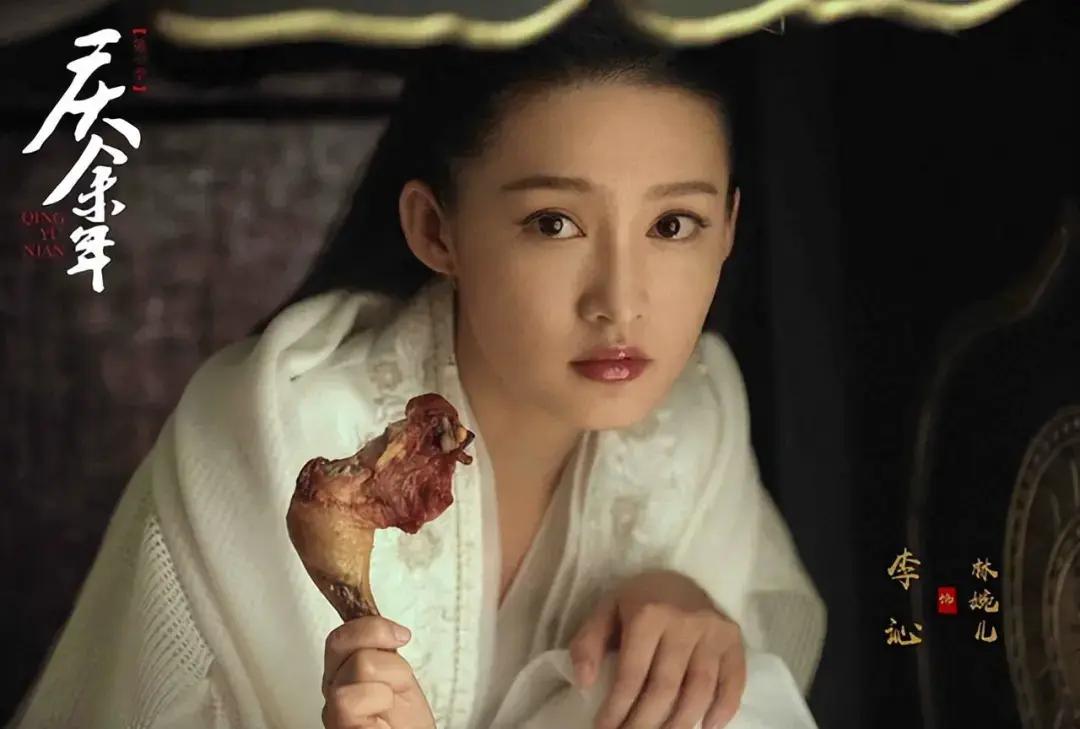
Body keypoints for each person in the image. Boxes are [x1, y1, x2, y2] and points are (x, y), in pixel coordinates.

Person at [8, 6, 825, 729]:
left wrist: (697, 616)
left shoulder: (698, 412)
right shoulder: (277, 426)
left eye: (674, 224)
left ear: (729, 227)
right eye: (554, 222)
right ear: (436, 230)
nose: (620, 301)